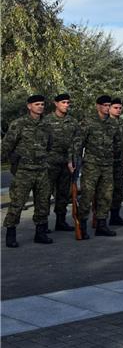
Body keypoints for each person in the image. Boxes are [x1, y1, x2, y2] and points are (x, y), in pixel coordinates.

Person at [3, 95, 54, 247]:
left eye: (42, 104)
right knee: (17, 203)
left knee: (43, 202)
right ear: (29, 106)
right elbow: (6, 146)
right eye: (37, 104)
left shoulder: (46, 125)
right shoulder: (19, 124)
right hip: (23, 171)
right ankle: (10, 234)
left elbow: (49, 146)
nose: (40, 107)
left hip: (42, 170)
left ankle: (40, 233)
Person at [75, 95, 120, 238]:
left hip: (107, 165)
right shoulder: (88, 122)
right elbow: (78, 143)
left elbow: (117, 144)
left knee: (106, 196)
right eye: (105, 105)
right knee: (87, 196)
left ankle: (101, 224)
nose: (107, 108)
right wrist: (74, 161)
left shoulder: (113, 124)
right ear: (98, 106)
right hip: (91, 165)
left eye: (109, 105)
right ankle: (81, 224)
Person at [43, 93, 79, 233]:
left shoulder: (72, 122)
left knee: (63, 194)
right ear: (56, 103)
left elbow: (75, 143)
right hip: (49, 164)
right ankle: (43, 224)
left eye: (68, 102)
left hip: (66, 164)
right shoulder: (46, 121)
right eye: (63, 102)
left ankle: (61, 221)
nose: (66, 105)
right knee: (44, 195)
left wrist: (72, 160)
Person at [108, 97, 123, 226]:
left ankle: (115, 216)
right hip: (105, 163)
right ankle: (100, 219)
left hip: (119, 162)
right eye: (115, 108)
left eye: (120, 108)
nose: (118, 110)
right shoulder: (104, 122)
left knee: (118, 190)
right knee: (104, 192)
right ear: (109, 108)